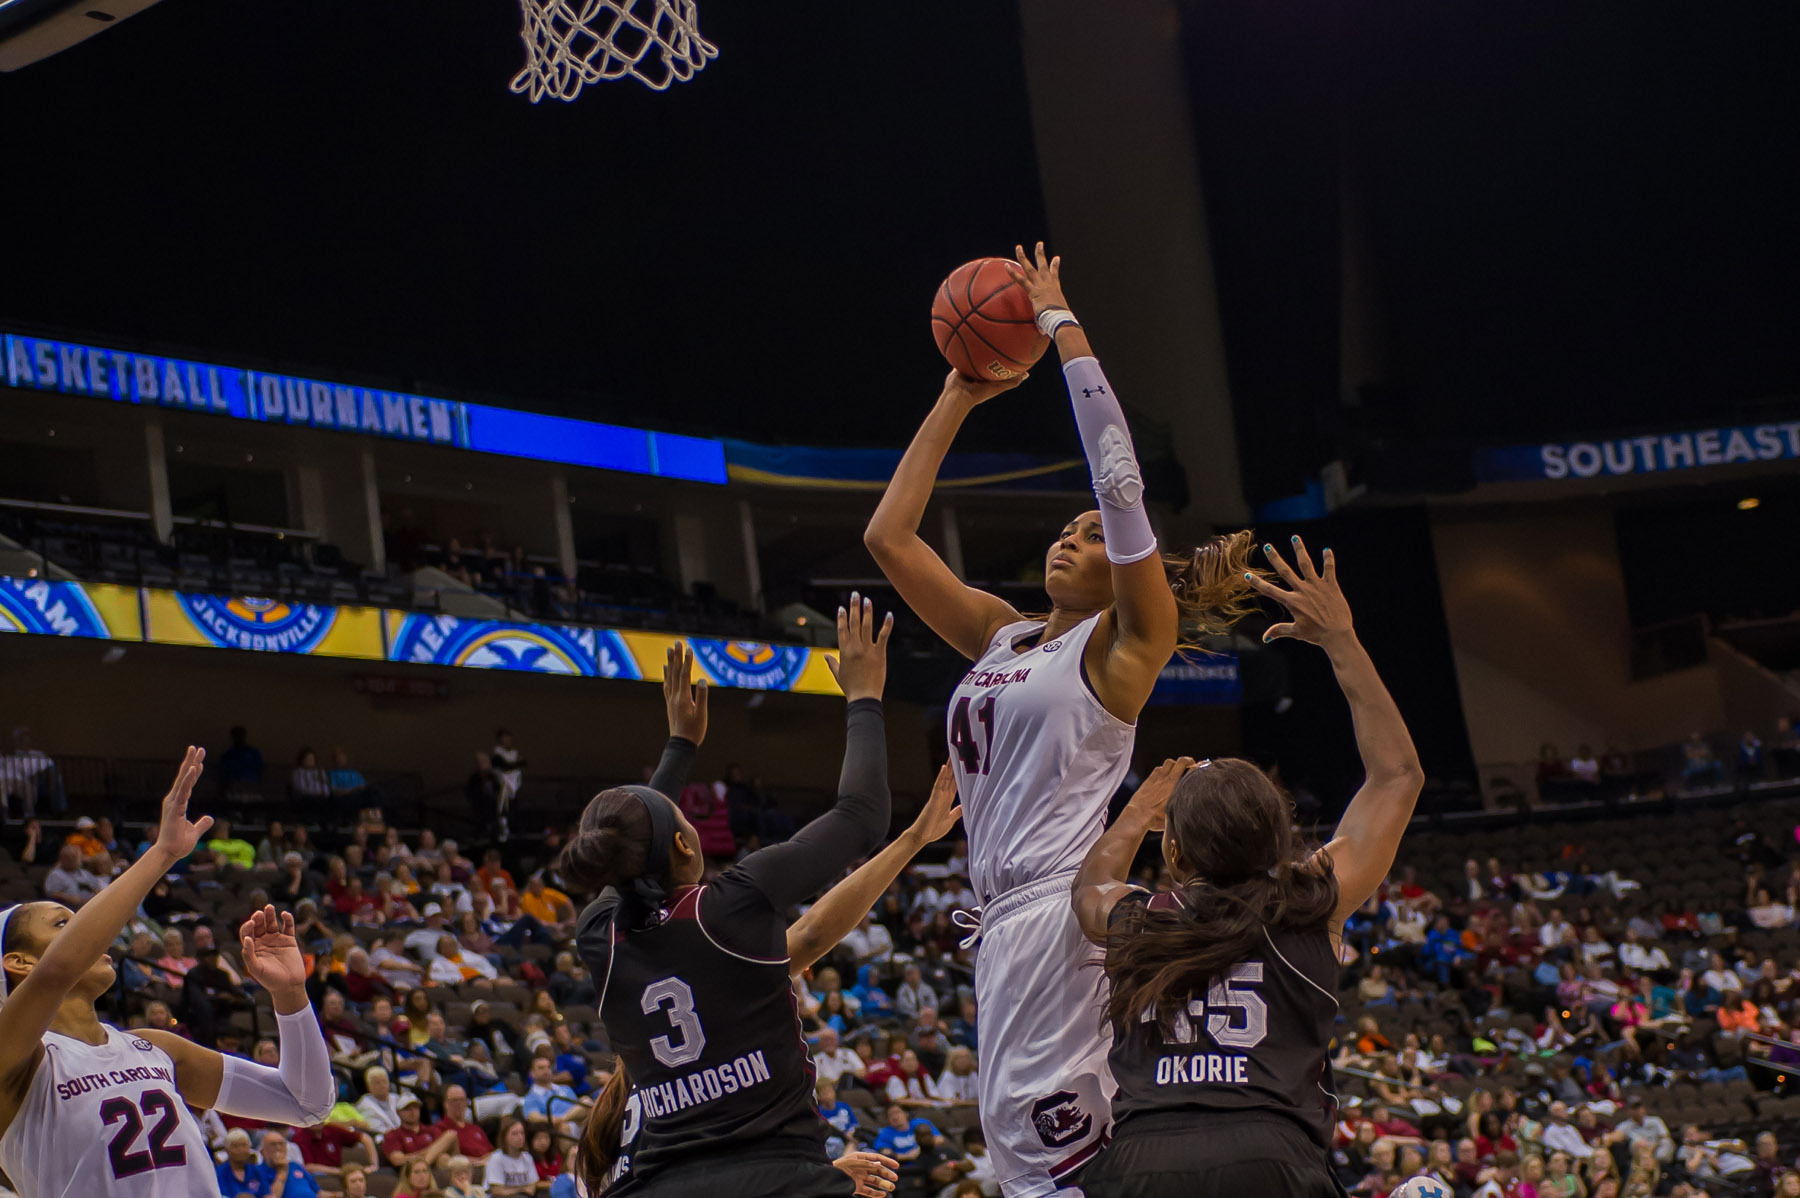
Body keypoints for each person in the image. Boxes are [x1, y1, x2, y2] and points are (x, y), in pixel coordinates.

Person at [864, 243, 1258, 1198]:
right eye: (1065, 528)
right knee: (1018, 1168)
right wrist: (960, 394)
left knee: (1058, 1176)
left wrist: (1059, 326)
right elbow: (888, 537)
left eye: (1089, 538)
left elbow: (1119, 486)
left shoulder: (1123, 648)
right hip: (999, 925)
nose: (1070, 535)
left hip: (1063, 911)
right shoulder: (1005, 637)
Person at [1071, 541, 1424, 1197]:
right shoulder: (1312, 901)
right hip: (1271, 1155)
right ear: (1279, 838)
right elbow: (1398, 777)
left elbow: (1088, 887)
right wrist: (1341, 639)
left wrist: (1134, 816)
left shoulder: (1137, 916)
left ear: (1173, 851)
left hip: (1143, 1161)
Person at [570, 634, 903, 1198]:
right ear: (682, 842)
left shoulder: (599, 936)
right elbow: (863, 813)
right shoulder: (731, 904)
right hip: (775, 1178)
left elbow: (629, 849)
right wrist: (865, 697)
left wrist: (678, 748)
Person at [0, 747, 336, 1197]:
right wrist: (162, 854)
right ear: (18, 962)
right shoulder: (14, 1057)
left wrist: (291, 996)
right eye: (65, 924)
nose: (87, 931)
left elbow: (307, 1104)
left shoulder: (155, 1048)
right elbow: (58, 970)